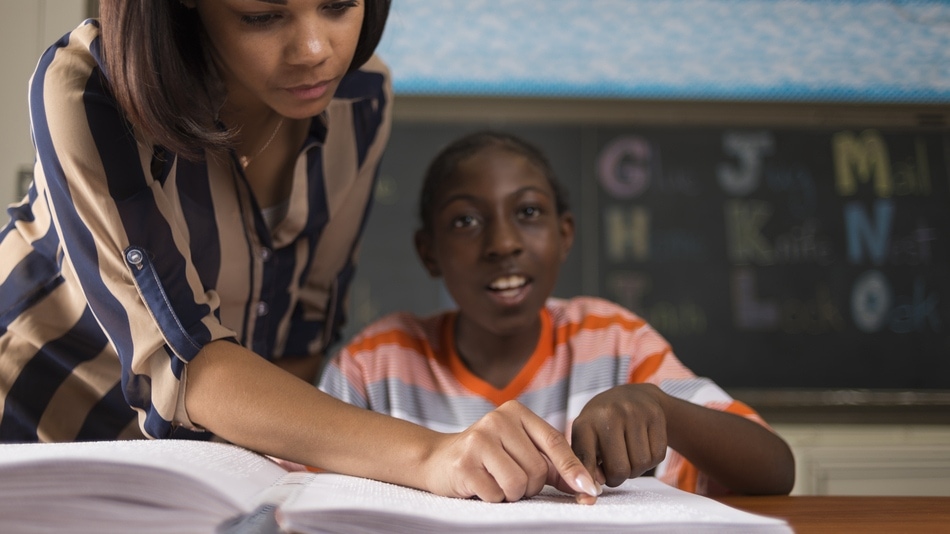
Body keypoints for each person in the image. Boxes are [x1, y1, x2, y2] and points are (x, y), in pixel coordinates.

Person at [0, 2, 601, 504]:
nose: (315, 48)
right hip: (30, 439)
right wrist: (432, 453)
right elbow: (186, 363)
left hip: (198, 474)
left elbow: (302, 329)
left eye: (339, 4)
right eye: (263, 16)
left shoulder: (361, 98)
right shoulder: (91, 86)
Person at [320, 130, 797, 496]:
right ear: (429, 251)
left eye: (527, 213)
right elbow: (288, 489)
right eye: (465, 221)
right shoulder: (374, 365)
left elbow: (775, 469)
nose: (503, 243)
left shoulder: (614, 341)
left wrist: (664, 410)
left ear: (565, 234)